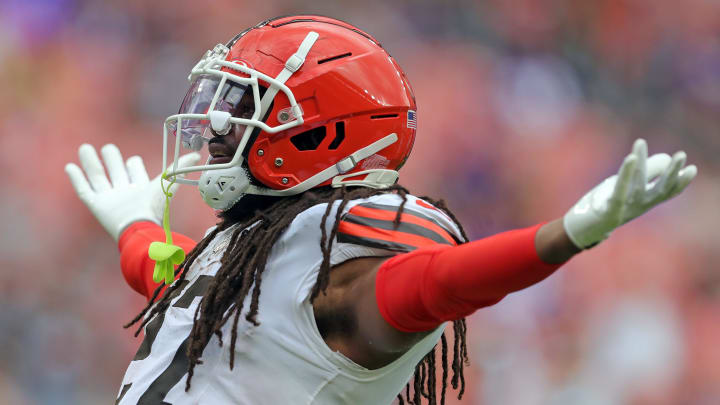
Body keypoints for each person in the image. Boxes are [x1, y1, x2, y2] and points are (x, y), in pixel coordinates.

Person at [64, 15, 697, 405]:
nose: (215, 128)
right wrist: (134, 229)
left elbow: (437, 284)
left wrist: (561, 237)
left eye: (242, 108)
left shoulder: (340, 251)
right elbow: (181, 288)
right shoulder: (265, 241)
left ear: (317, 136)